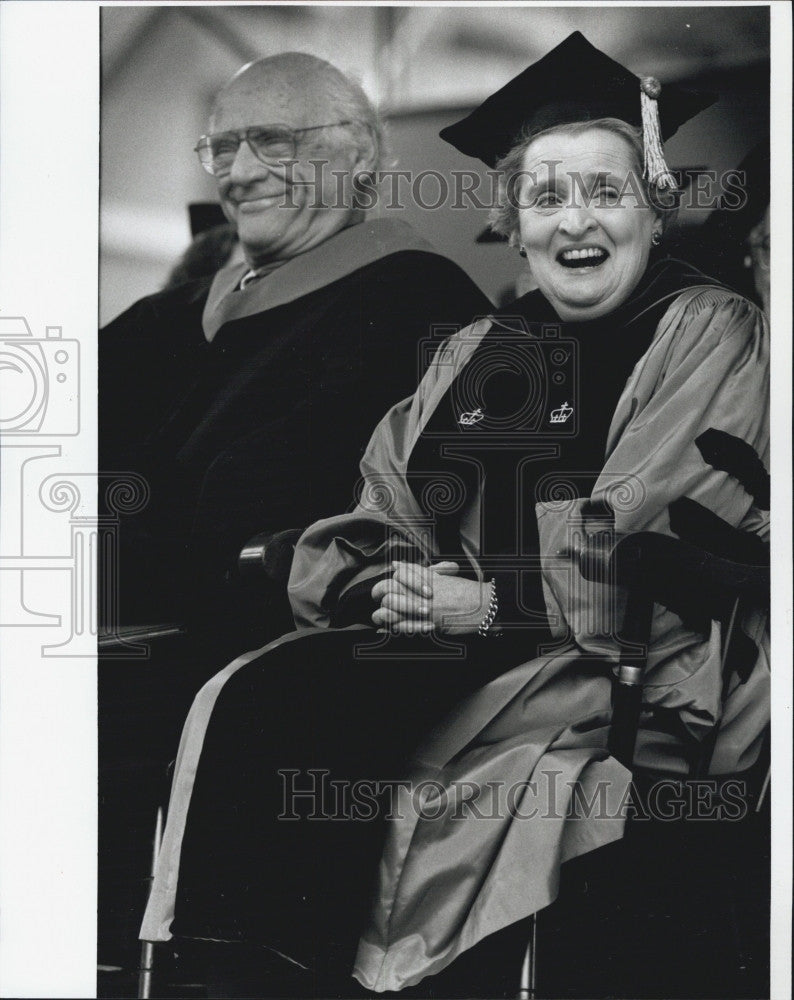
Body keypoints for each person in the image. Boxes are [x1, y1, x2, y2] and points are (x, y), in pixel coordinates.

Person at [140, 33, 769, 997]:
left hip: (611, 658)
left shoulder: (704, 326)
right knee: (255, 698)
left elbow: (657, 526)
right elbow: (386, 493)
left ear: (653, 208)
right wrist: (375, 577)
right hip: (453, 633)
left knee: (356, 735)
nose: (576, 222)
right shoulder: (488, 343)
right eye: (545, 196)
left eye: (606, 192)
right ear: (510, 222)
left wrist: (481, 609)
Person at [99, 52, 491, 643]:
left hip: (241, 645)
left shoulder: (419, 302)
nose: (240, 173)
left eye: (272, 141)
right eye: (224, 147)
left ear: (358, 156)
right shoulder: (166, 315)